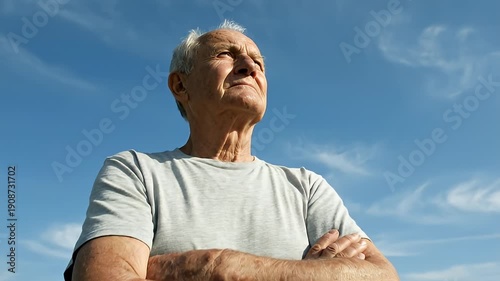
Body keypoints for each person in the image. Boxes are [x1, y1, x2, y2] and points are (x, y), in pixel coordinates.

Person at [64, 20, 399, 281]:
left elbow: (382, 275)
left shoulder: (307, 187)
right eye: (225, 54)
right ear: (180, 85)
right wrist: (307, 273)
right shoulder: (136, 171)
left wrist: (217, 267)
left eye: (257, 62)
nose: (249, 66)